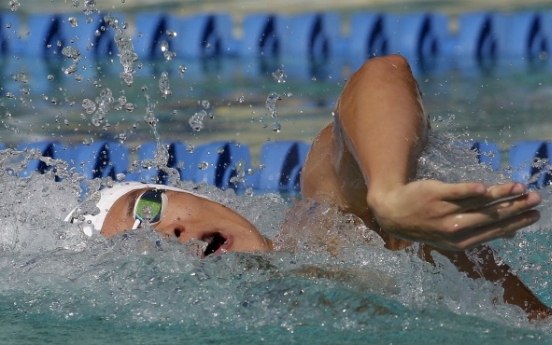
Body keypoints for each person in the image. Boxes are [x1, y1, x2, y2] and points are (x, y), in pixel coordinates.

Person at [65, 55, 549, 319]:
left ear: (195, 195)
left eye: (149, 208)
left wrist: (389, 195)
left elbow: (383, 73)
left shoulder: (326, 219)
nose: (164, 235)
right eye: (141, 250)